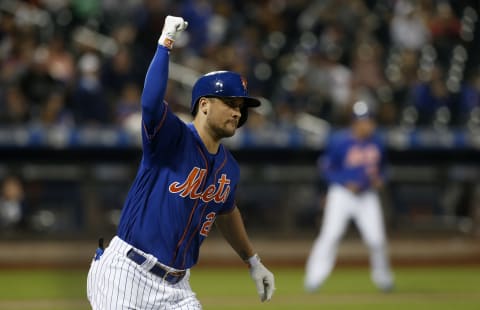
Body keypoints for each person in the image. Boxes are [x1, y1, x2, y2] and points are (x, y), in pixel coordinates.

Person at [87, 16, 275, 309]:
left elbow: (226, 211)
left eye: (240, 107)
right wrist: (165, 43)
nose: (238, 113)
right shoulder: (172, 137)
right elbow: (150, 104)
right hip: (126, 274)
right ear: (204, 105)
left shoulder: (229, 167)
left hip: (177, 287)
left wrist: (253, 260)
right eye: (230, 104)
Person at [304, 100, 394, 293]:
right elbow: (326, 168)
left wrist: (381, 178)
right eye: (364, 120)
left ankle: (384, 280)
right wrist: (345, 181)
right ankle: (313, 279)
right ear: (354, 122)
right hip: (341, 194)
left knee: (377, 239)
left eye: (370, 120)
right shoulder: (339, 141)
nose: (368, 124)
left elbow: (384, 169)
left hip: (367, 195)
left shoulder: (377, 141)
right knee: (330, 235)